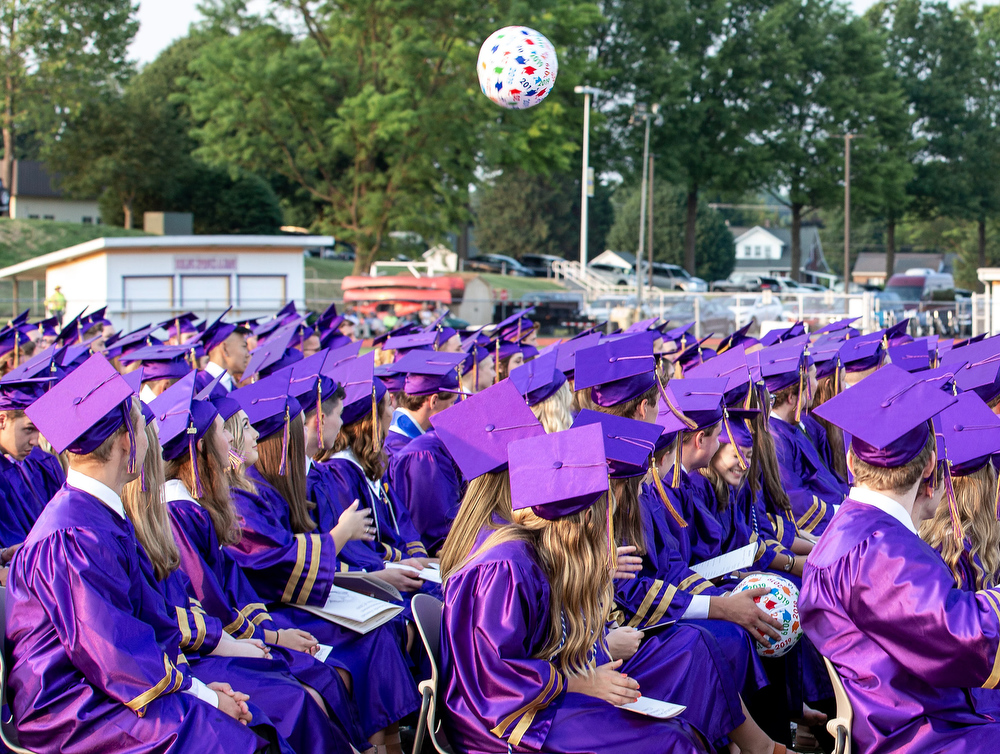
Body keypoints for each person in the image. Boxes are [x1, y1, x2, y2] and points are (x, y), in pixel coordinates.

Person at [8, 353, 271, 753]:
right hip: (72, 709)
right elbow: (113, 653)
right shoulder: (74, 534)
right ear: (128, 440)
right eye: (145, 430)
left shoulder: (96, 516)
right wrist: (201, 697)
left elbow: (148, 624)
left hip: (105, 689)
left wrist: (194, 687)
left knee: (250, 721)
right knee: (229, 740)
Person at [441, 424, 711, 753]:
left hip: (544, 698)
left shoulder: (536, 553)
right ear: (583, 521)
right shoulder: (506, 567)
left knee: (677, 720)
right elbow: (493, 676)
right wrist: (580, 682)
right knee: (671, 741)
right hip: (508, 722)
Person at [125, 409, 365, 754]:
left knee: (322, 677)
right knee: (303, 697)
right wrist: (267, 638)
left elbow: (230, 590)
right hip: (193, 659)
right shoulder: (178, 513)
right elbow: (203, 604)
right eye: (229, 430)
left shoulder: (187, 510)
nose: (241, 438)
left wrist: (270, 635)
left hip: (214, 643)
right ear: (202, 449)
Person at [803, 364, 1000, 753]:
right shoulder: (879, 550)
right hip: (919, 732)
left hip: (898, 710)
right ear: (930, 466)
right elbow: (964, 637)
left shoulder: (851, 529)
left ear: (848, 461)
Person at [227, 370, 421, 751]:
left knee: (380, 632)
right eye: (300, 427)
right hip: (275, 607)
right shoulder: (245, 495)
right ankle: (375, 744)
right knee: (371, 639)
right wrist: (340, 535)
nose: (310, 434)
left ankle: (387, 743)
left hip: (300, 598)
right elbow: (276, 566)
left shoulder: (280, 482)